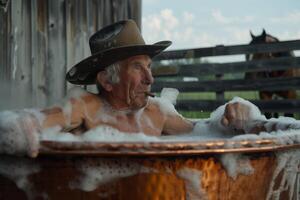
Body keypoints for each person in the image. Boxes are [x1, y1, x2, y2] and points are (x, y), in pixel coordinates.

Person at [0, 20, 260, 157]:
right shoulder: (86, 107)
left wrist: (235, 116)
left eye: (150, 67)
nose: (150, 79)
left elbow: (205, 131)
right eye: (137, 67)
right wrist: (22, 127)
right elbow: (41, 120)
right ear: (106, 80)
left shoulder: (157, 112)